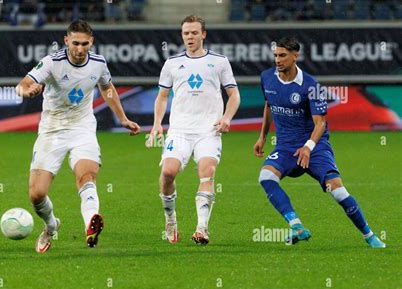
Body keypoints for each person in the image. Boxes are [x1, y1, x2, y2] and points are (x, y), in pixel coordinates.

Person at [15, 19, 140, 253]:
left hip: (83, 129)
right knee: (36, 194)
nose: (80, 49)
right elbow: (22, 84)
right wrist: (27, 89)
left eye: (85, 44)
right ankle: (51, 226)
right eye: (75, 43)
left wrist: (122, 118)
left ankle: (90, 225)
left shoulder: (99, 63)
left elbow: (107, 88)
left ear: (91, 42)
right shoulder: (52, 63)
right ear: (66, 41)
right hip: (52, 131)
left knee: (87, 176)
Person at [253, 36, 386, 248]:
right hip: (286, 147)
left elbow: (320, 123)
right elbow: (269, 105)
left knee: (338, 191)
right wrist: (262, 136)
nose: (277, 60)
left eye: (283, 55)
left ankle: (369, 235)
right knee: (266, 177)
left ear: (295, 56)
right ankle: (297, 226)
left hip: (315, 147)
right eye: (276, 55)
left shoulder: (311, 85)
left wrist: (308, 147)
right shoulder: (267, 77)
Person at [148, 15, 240, 245]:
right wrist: (157, 124)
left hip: (209, 130)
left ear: (203, 34)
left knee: (207, 172)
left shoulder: (219, 62)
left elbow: (234, 95)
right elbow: (162, 97)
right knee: (168, 173)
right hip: (179, 130)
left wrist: (227, 118)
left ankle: (202, 228)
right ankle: (170, 218)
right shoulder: (172, 63)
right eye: (186, 33)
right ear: (182, 35)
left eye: (194, 32)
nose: (190, 37)